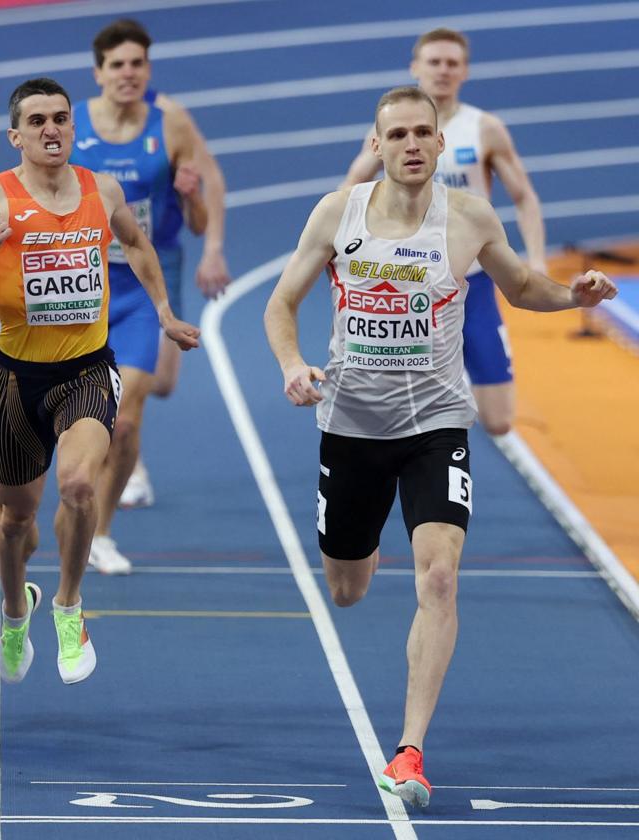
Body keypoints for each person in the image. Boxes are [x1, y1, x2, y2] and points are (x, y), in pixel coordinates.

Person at [264, 86, 614, 808]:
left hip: (436, 426)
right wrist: (293, 365)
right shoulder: (339, 213)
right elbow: (279, 303)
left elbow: (521, 287)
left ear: (438, 142)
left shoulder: (468, 218)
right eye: (398, 135)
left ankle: (411, 749)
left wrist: (574, 296)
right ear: (378, 144)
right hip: (353, 427)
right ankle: (371, 544)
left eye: (424, 132)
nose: (413, 145)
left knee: (441, 579)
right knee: (347, 589)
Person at [0, 77, 198, 684]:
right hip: (17, 378)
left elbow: (138, 245)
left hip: (85, 368)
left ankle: (69, 607)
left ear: (73, 129)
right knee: (14, 520)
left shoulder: (100, 189)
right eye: (37, 121)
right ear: (15, 136)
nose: (51, 130)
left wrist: (163, 312)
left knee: (79, 486)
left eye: (60, 119)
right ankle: (13, 610)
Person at [69, 18, 228, 573]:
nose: (128, 73)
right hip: (78, 282)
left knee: (130, 415)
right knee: (76, 414)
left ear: (147, 70)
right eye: (118, 65)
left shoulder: (171, 124)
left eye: (138, 63)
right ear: (99, 73)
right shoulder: (71, 126)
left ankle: (103, 534)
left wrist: (195, 206)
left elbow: (199, 209)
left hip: (144, 279)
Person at [342, 28, 546, 436]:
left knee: (499, 420)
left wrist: (537, 260)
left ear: (465, 71)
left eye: (452, 63)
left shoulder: (484, 128)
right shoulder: (393, 126)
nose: (443, 70)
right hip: (409, 285)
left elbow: (524, 197)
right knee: (397, 414)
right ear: (415, 67)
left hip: (471, 281)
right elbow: (351, 186)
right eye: (434, 61)